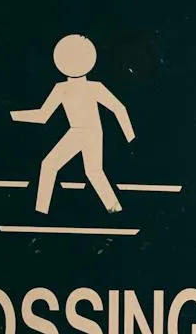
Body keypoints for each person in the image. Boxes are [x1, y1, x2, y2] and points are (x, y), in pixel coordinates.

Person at [12, 35, 135, 214]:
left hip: (86, 133)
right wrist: (130, 137)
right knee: (88, 171)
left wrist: (131, 137)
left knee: (58, 167)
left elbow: (118, 108)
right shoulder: (67, 88)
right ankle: (114, 209)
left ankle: (41, 210)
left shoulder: (86, 87)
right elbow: (43, 116)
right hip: (83, 132)